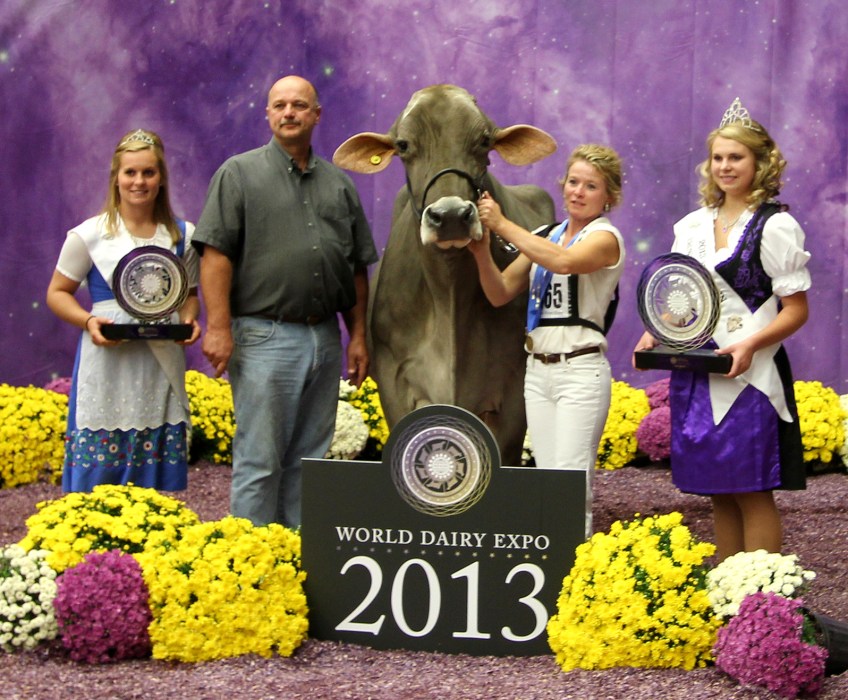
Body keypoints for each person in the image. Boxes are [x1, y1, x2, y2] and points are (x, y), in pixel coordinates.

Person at [192, 75, 378, 529]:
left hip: (324, 336)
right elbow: (215, 256)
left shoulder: (339, 184)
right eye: (280, 105)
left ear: (317, 115)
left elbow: (355, 267)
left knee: (310, 460)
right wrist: (218, 327)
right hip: (263, 335)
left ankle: (295, 553)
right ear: (268, 114)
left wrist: (358, 335)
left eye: (299, 105)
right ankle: (251, 558)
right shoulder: (238, 174)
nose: (289, 112)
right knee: (260, 460)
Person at [633, 97, 810, 562]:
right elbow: (684, 299)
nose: (725, 167)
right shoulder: (692, 227)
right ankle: (727, 586)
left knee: (751, 488)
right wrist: (657, 332)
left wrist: (750, 343)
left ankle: (760, 593)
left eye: (736, 157)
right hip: (699, 370)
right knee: (718, 489)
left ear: (759, 163)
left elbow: (795, 310)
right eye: (718, 158)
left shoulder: (775, 226)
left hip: (751, 375)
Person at [471, 144, 625, 538]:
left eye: (591, 186)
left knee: (570, 483)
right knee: (547, 479)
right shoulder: (547, 234)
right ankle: (556, 561)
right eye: (573, 182)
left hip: (580, 368)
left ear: (609, 196)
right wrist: (481, 252)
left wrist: (502, 224)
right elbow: (500, 292)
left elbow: (565, 262)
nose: (578, 192)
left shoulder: (606, 237)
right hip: (538, 370)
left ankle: (574, 565)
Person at [46, 128, 201, 492]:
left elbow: (190, 295)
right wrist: (88, 321)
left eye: (148, 172)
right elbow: (57, 293)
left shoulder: (183, 235)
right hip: (107, 358)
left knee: (156, 471)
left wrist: (188, 319)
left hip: (159, 361)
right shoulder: (89, 235)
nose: (139, 181)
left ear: (161, 178)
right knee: (100, 468)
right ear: (116, 177)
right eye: (130, 172)